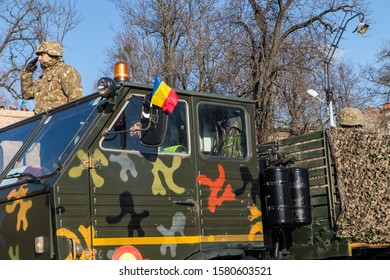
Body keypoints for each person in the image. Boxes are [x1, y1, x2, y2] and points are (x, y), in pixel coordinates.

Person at [20, 41, 83, 114]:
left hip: (59, 119)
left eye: (42, 55)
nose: (39, 58)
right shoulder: (41, 79)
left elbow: (76, 99)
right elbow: (27, 95)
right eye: (38, 56)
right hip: (43, 122)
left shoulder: (65, 70)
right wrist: (27, 74)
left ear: (52, 54)